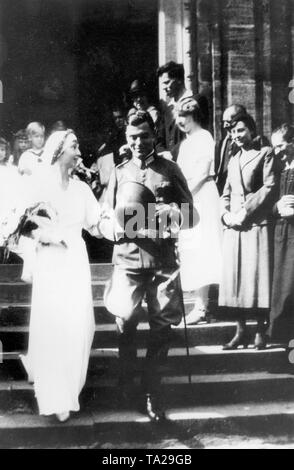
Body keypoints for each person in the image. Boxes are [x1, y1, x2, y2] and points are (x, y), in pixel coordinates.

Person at [99, 111, 197, 422]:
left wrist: (172, 214)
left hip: (162, 260)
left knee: (162, 325)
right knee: (125, 319)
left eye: (144, 136)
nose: (139, 142)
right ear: (126, 139)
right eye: (133, 137)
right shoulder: (119, 171)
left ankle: (152, 391)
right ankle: (127, 380)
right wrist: (114, 227)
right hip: (128, 258)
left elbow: (193, 215)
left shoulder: (170, 169)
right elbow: (107, 214)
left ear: (154, 135)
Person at [19, 130, 100, 422]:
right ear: (58, 150)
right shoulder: (40, 185)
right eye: (74, 145)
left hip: (76, 259)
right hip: (52, 260)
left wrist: (144, 223)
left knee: (82, 323)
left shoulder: (82, 189)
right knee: (54, 324)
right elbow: (25, 224)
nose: (79, 150)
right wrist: (50, 236)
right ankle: (56, 395)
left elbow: (99, 222)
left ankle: (70, 388)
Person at [219, 114, 277, 350]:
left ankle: (260, 330)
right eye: (233, 132)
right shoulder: (233, 159)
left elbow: (270, 186)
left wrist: (245, 211)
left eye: (241, 131)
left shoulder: (266, 153)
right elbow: (225, 192)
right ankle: (240, 330)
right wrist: (225, 215)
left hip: (255, 224)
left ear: (252, 130)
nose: (237, 136)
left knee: (257, 278)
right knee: (235, 281)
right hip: (234, 227)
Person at [175, 96, 222, 324]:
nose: (181, 121)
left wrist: (185, 194)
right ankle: (199, 303)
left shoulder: (204, 137)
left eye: (185, 116)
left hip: (201, 195)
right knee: (191, 248)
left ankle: (203, 306)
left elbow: (202, 172)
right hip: (188, 197)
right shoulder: (185, 143)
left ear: (194, 116)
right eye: (179, 117)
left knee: (203, 248)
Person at [268, 124, 294, 347]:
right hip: (281, 235)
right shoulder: (279, 168)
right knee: (283, 288)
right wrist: (277, 206)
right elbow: (269, 205)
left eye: (281, 145)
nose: (277, 151)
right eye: (274, 147)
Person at [215, 105, 270, 195]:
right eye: (223, 122)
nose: (225, 125)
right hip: (225, 193)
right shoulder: (224, 142)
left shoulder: (259, 143)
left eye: (229, 120)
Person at [156, 62, 189, 160]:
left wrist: (171, 154)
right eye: (162, 84)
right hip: (169, 166)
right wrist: (163, 153)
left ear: (179, 80)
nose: (163, 88)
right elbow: (159, 139)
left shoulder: (196, 102)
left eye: (167, 82)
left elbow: (194, 137)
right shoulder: (167, 109)